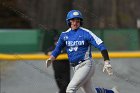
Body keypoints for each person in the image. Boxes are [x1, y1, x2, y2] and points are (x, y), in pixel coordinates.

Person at [46, 10, 119, 93]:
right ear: (69, 21)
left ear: (80, 22)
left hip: (86, 65)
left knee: (70, 89)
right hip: (75, 67)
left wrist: (107, 61)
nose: (75, 22)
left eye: (78, 20)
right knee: (91, 92)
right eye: (73, 20)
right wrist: (51, 58)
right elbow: (57, 48)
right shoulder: (64, 35)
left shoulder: (85, 33)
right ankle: (112, 92)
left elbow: (101, 45)